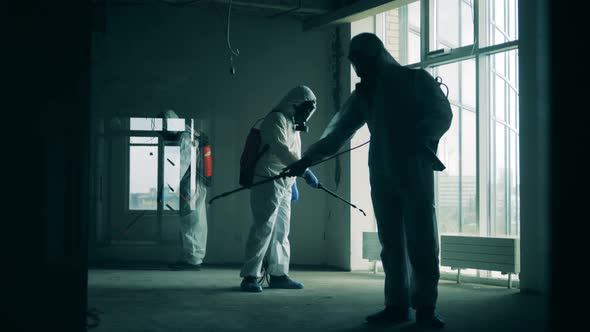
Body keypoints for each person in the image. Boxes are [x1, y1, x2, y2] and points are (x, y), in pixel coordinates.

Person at [285, 33, 452, 328]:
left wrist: (423, 134)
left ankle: (425, 306)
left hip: (414, 166)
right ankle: (397, 304)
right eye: (354, 63)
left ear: (377, 56)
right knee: (391, 241)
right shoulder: (365, 94)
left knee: (422, 239)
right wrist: (307, 159)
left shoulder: (416, 80)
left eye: (361, 62)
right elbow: (337, 132)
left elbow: (442, 112)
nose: (358, 69)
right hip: (382, 169)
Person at [240, 85, 320, 292]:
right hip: (267, 180)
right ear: (294, 104)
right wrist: (305, 172)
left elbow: (295, 153)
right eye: (306, 108)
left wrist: (293, 184)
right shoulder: (275, 120)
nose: (307, 114)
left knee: (282, 230)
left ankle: (278, 274)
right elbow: (283, 151)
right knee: (263, 227)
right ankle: (250, 276)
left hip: (285, 182)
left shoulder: (294, 124)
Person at [160, 110, 209, 271]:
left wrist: (166, 188)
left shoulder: (186, 138)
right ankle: (188, 256)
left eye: (165, 130)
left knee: (191, 221)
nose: (165, 134)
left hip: (191, 186)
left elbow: (180, 165)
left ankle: (193, 259)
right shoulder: (189, 133)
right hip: (194, 184)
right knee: (191, 220)